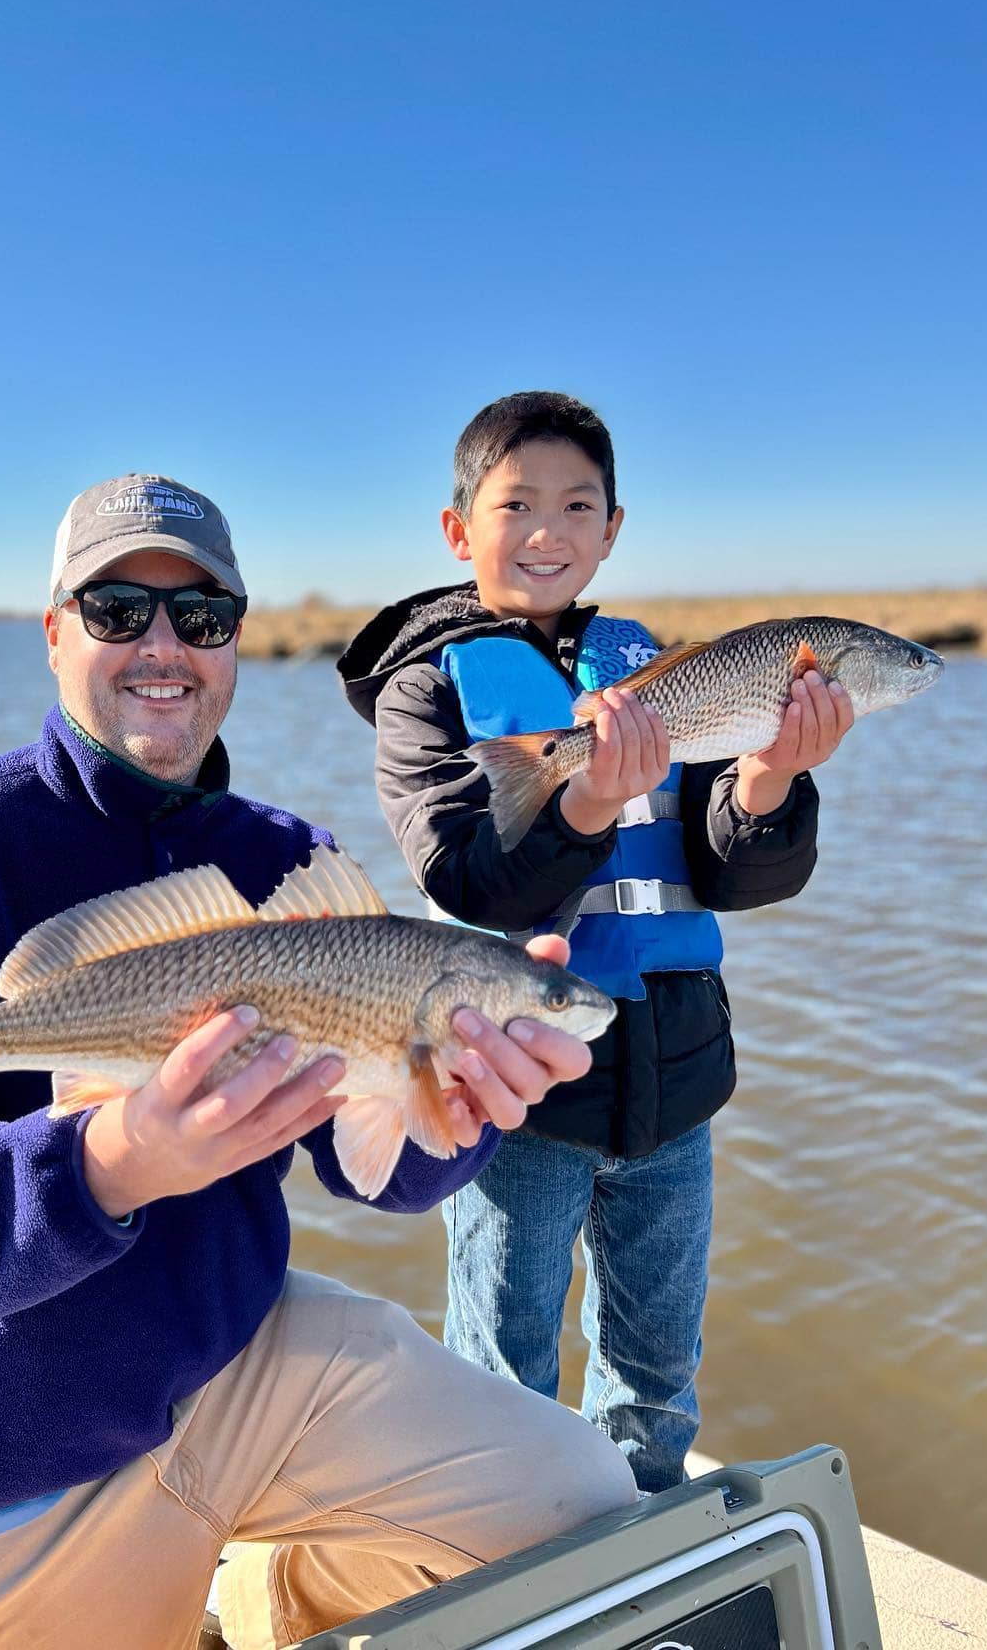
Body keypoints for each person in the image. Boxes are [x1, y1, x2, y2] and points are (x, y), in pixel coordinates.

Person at [0, 472, 637, 1650]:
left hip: (228, 1361)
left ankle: (295, 1597)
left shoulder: (287, 858)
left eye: (203, 616)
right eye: (119, 609)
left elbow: (373, 1171)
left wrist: (461, 1107)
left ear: (235, 640)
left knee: (581, 1502)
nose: (163, 645)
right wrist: (108, 1165)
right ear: (56, 630)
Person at [337, 393, 853, 1493]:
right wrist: (577, 808)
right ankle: (504, 1544)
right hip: (513, 1087)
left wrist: (767, 779)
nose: (547, 530)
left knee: (658, 1365)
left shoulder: (662, 668)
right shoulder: (424, 689)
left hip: (676, 1088)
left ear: (614, 528)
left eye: (579, 505)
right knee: (503, 1360)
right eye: (515, 503)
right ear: (456, 528)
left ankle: (643, 1532)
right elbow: (461, 873)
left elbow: (727, 870)